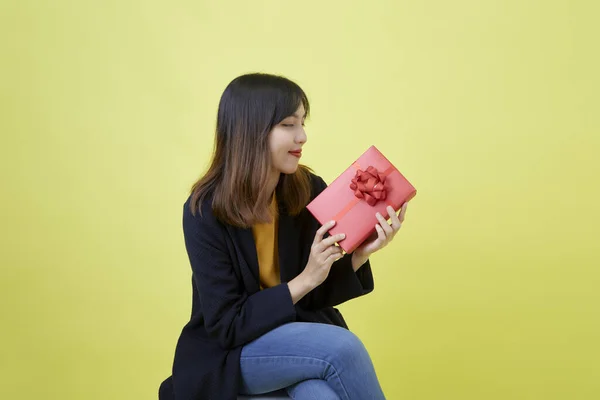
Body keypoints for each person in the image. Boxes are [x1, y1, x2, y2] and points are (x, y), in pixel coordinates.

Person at [159, 73, 408, 400]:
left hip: (296, 342)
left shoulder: (307, 190)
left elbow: (316, 298)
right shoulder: (205, 212)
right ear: (251, 131)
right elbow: (227, 325)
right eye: (288, 125)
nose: (302, 136)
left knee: (320, 395)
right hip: (233, 354)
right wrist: (305, 279)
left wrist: (361, 253)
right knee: (341, 348)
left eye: (302, 123)